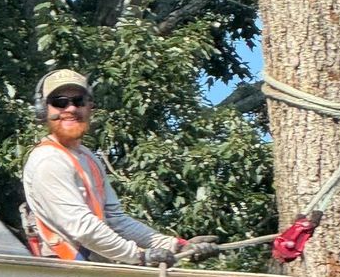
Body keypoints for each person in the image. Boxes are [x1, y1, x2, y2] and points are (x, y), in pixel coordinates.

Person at [22, 69, 218, 266]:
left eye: (78, 101)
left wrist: (175, 246)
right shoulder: (48, 160)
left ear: (90, 106)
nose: (71, 109)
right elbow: (82, 228)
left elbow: (116, 220)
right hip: (64, 273)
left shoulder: (88, 157)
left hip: (90, 269)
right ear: (43, 110)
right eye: (59, 102)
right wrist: (139, 256)